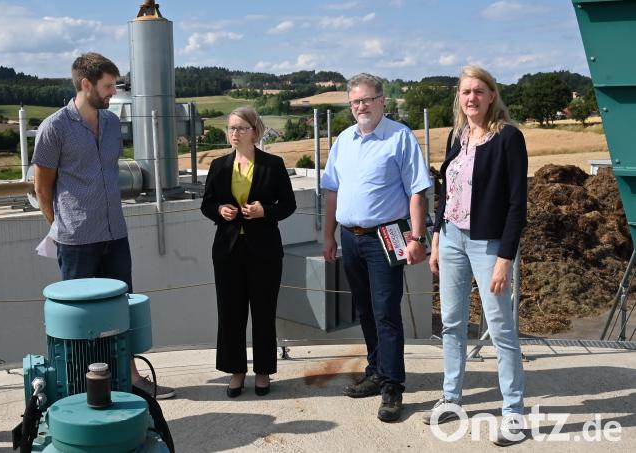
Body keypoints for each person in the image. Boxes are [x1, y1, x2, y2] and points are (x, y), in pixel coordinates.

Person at [32, 52, 174, 399]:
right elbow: (42, 188)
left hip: (116, 235)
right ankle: (84, 390)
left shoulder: (111, 124)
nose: (113, 92)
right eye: (108, 86)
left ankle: (132, 379)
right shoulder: (54, 128)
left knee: (120, 309)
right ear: (86, 85)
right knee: (82, 321)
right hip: (77, 241)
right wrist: (62, 227)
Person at [423, 65, 527, 447]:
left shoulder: (508, 138)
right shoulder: (458, 135)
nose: (471, 98)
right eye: (466, 92)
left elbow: (518, 204)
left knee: (501, 329)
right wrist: (436, 239)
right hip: (451, 239)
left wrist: (505, 258)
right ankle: (451, 398)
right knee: (451, 323)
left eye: (479, 92)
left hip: (488, 245)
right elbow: (445, 193)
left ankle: (514, 413)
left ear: (492, 96)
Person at [321, 73, 431, 422]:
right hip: (351, 238)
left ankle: (393, 387)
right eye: (355, 102)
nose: (361, 107)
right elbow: (332, 193)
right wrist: (328, 236)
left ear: (382, 100)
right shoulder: (343, 140)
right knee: (365, 310)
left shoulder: (399, 137)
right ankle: (375, 371)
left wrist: (416, 237)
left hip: (387, 236)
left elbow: (417, 190)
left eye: (367, 99)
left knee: (386, 312)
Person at [201, 106, 296, 397]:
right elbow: (206, 204)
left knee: (264, 312)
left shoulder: (273, 164)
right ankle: (236, 371)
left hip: (264, 251)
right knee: (230, 313)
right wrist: (220, 209)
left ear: (255, 131)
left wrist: (264, 211)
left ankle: (264, 371)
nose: (234, 133)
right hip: (228, 251)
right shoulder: (218, 166)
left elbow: (289, 205)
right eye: (230, 128)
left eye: (241, 128)